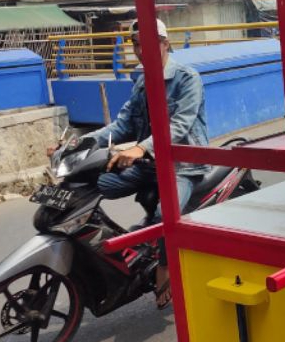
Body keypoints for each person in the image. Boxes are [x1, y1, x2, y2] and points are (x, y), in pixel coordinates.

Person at [51, 17, 207, 307]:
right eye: (135, 44)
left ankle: (164, 265)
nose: (140, 50)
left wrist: (140, 149)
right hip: (149, 166)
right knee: (94, 185)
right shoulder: (142, 83)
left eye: (147, 43)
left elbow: (180, 125)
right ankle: (120, 249)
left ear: (165, 43)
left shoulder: (187, 79)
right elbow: (121, 124)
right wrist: (81, 142)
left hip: (183, 165)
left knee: (163, 216)